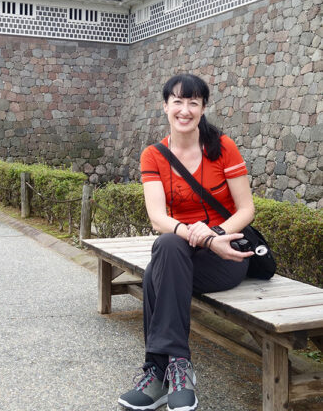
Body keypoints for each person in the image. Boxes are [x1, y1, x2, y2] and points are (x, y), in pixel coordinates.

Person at [118, 74, 255, 411]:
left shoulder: (222, 147)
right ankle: (179, 366)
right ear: (165, 106)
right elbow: (157, 217)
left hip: (226, 255)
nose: (185, 109)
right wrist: (197, 236)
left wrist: (215, 236)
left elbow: (246, 209)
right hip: (184, 251)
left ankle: (156, 371)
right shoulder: (154, 156)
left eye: (193, 102)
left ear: (203, 108)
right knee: (167, 245)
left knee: (155, 274)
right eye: (177, 101)